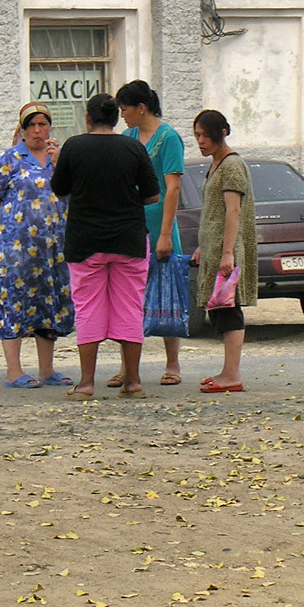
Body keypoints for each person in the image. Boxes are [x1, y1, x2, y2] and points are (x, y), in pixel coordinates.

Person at [50, 94, 161, 398]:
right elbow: (153, 195)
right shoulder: (134, 147)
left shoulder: (74, 146)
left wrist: (61, 164)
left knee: (87, 308)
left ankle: (86, 383)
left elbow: (59, 189)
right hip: (129, 239)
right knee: (130, 308)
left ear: (88, 118)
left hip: (86, 241)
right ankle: (134, 381)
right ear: (115, 119)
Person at [0, 101, 75, 388]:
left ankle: (47, 370)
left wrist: (60, 162)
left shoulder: (60, 158)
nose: (37, 130)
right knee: (14, 303)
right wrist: (16, 220)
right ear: (22, 130)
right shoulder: (10, 158)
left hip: (53, 249)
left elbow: (72, 190)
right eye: (31, 125)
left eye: (42, 124)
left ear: (49, 128)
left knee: (48, 303)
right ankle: (14, 371)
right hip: (16, 251)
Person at [109, 79, 185, 387]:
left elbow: (173, 187)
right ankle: (128, 367)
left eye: (125, 108)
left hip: (159, 222)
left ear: (141, 108)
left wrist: (165, 233)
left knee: (165, 290)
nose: (122, 114)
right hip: (129, 222)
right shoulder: (127, 136)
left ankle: (173, 363)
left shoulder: (168, 138)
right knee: (127, 296)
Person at [190, 109, 257, 394]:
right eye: (197, 136)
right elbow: (213, 213)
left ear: (222, 133)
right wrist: (202, 247)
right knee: (219, 309)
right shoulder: (216, 164)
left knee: (229, 309)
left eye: (206, 135)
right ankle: (226, 370)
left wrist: (227, 253)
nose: (201, 141)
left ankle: (233, 375)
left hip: (226, 250)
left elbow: (233, 210)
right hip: (214, 248)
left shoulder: (231, 165)